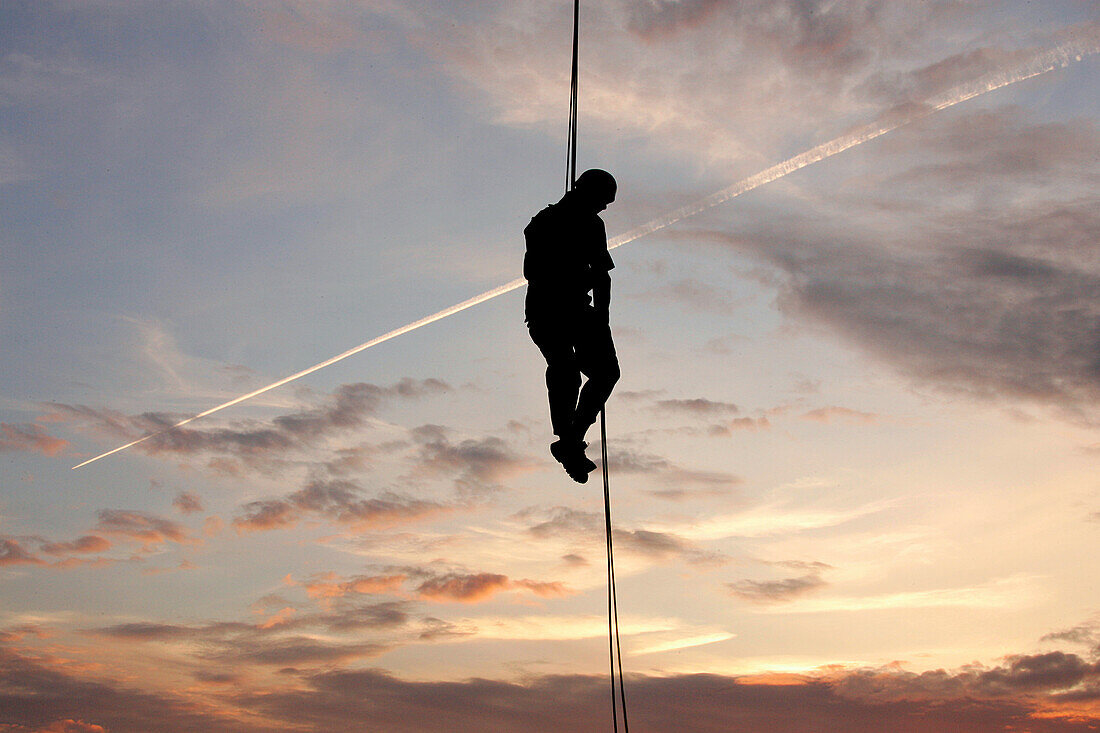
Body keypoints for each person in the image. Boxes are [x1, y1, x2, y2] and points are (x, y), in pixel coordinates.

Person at [524, 169, 621, 483]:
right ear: (586, 192)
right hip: (548, 310)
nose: (604, 207)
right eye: (603, 201)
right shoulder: (543, 222)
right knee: (565, 368)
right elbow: (535, 271)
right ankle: (568, 441)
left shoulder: (593, 224)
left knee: (606, 372)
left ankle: (570, 441)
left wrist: (602, 319)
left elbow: (603, 275)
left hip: (580, 311)